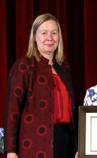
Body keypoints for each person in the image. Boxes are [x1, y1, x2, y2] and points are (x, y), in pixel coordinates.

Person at [4, 13, 77, 158]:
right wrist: (10, 151)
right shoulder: (24, 66)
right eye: (44, 33)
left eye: (54, 33)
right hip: (34, 144)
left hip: (65, 143)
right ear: (35, 37)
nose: (50, 38)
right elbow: (12, 111)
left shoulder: (65, 68)